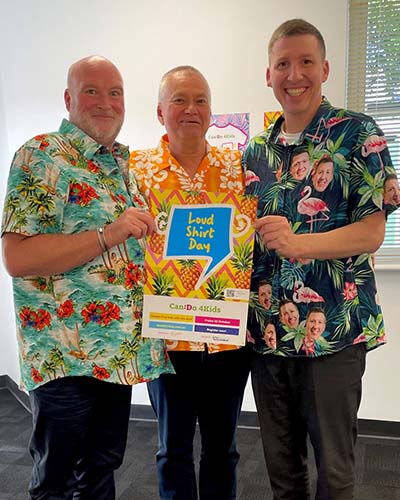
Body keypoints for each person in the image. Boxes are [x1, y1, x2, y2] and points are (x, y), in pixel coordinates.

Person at [1, 55, 173, 500]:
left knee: (101, 469)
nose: (106, 102)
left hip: (116, 354)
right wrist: (109, 233)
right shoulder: (41, 156)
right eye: (92, 91)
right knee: (56, 479)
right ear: (69, 99)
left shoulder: (122, 167)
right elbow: (17, 257)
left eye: (115, 92)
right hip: (64, 357)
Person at [243, 19, 397, 500]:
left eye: (306, 62)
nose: (295, 74)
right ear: (268, 75)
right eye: (283, 64)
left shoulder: (358, 133)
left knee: (335, 473)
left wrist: (299, 244)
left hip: (334, 332)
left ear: (325, 68)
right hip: (267, 335)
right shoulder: (254, 153)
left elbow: (373, 231)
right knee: (282, 476)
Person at [129, 65, 250, 500]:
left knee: (223, 450)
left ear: (211, 111)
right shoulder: (133, 170)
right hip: (165, 340)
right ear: (160, 111)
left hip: (227, 341)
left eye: (200, 100)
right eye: (179, 100)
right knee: (172, 450)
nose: (191, 109)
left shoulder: (240, 170)